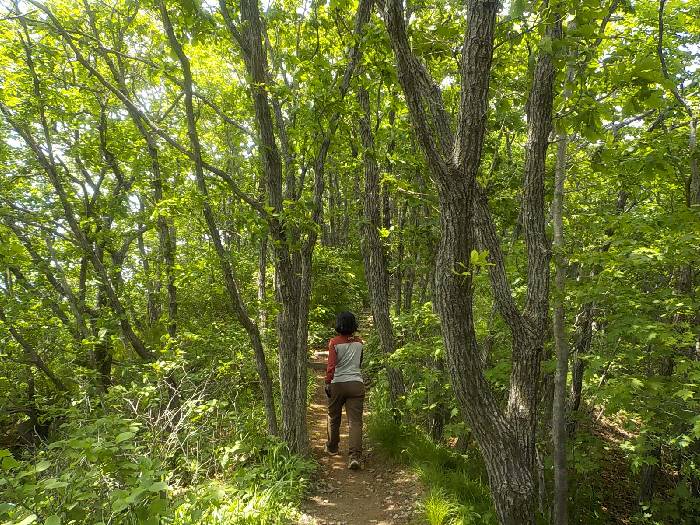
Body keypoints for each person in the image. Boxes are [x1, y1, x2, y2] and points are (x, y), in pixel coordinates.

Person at [324, 311, 365, 470]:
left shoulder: (334, 342)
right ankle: (355, 456)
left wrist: (328, 382)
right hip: (356, 383)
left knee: (333, 416)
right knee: (355, 421)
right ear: (354, 325)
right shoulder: (359, 342)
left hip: (338, 384)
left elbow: (331, 366)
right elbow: (359, 363)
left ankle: (333, 447)